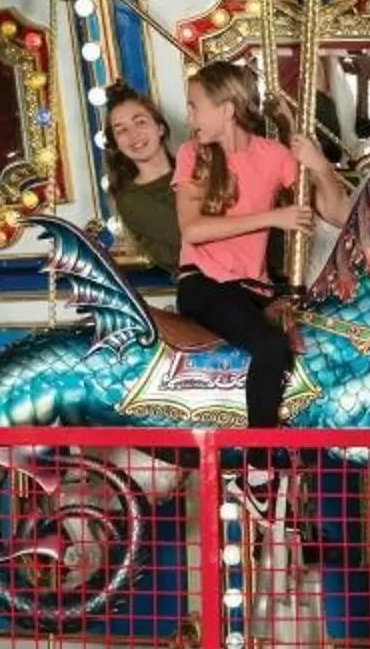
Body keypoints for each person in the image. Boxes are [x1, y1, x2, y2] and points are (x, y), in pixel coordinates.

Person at [173, 60, 351, 436]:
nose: (189, 117)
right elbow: (192, 229)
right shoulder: (192, 154)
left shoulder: (272, 155)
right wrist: (273, 217)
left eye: (194, 106)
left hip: (254, 289)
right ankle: (259, 458)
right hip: (204, 284)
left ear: (226, 110)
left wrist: (320, 166)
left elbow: (338, 213)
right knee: (270, 346)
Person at [100, 84, 183, 273]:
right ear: (116, 144)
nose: (133, 135)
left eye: (140, 122)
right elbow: (193, 236)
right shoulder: (131, 200)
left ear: (160, 127)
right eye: (122, 130)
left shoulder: (198, 169)